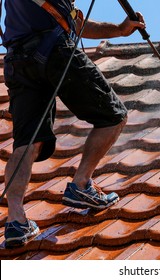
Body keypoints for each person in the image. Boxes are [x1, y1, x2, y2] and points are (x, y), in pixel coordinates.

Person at [2, 0, 145, 248]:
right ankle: (81, 184)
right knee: (113, 116)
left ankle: (16, 220)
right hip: (54, 50)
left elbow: (72, 20)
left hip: (18, 60)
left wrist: (120, 30)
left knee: (27, 143)